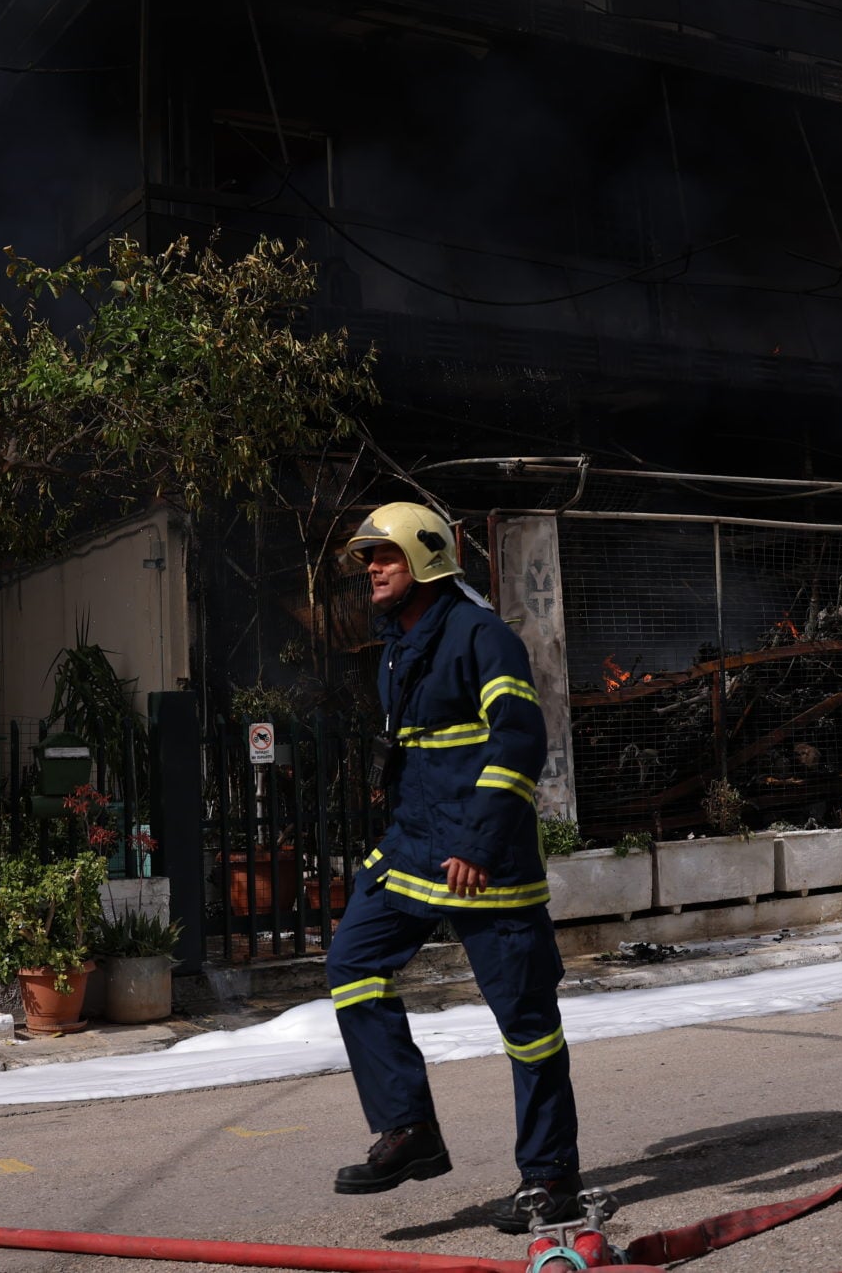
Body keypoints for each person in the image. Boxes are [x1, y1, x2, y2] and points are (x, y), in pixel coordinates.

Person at [324, 501, 582, 1234]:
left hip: (483, 857)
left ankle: (550, 1176)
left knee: (527, 1024)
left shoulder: (481, 636)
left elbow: (520, 742)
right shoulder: (398, 646)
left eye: (385, 556)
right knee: (352, 964)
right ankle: (410, 1129)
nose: (371, 569)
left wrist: (476, 843)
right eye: (368, 558)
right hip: (414, 846)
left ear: (425, 558)